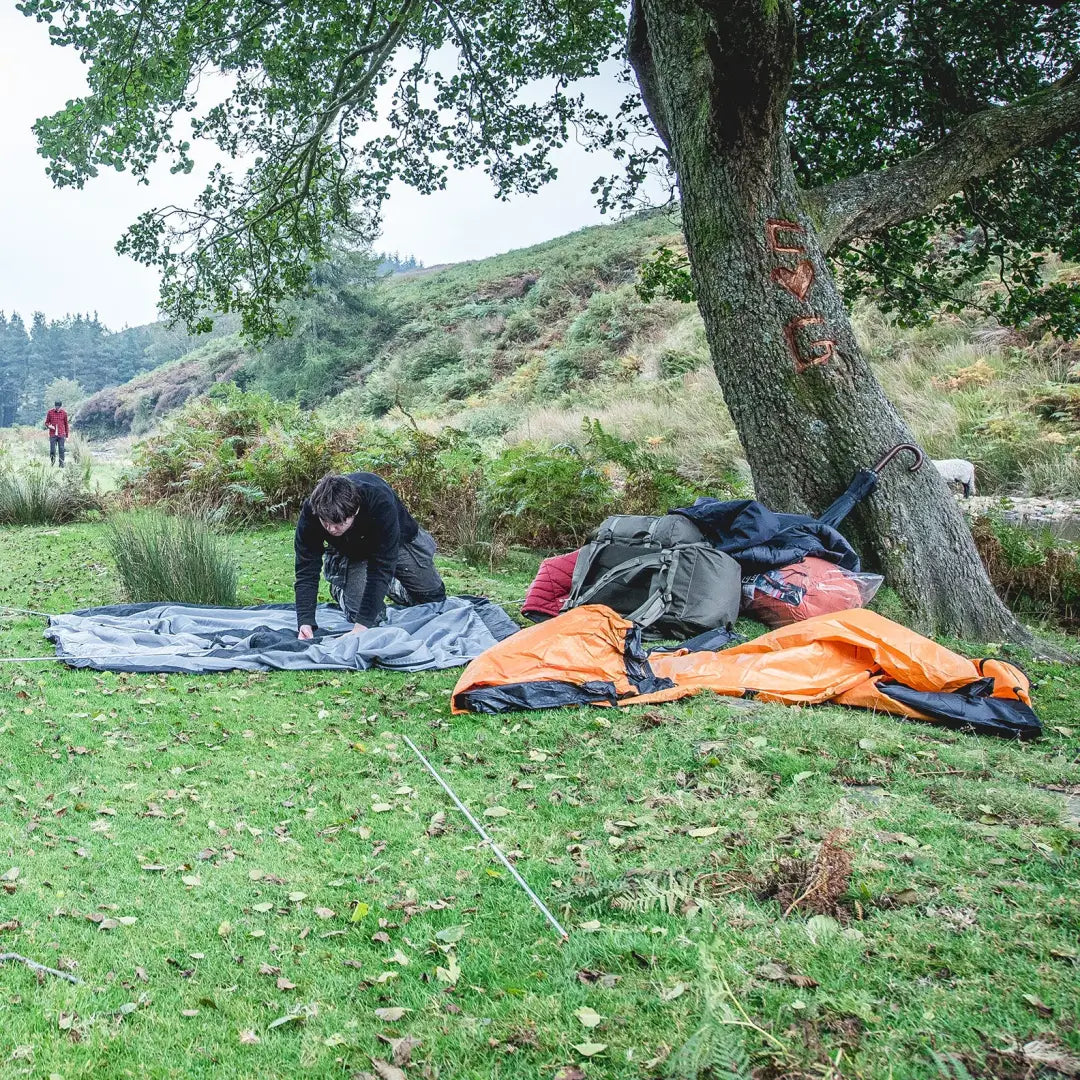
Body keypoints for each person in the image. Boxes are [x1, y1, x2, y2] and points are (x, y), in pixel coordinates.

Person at [294, 472, 446, 640]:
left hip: (397, 541)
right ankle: (341, 589)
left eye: (338, 524)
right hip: (352, 552)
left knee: (434, 600)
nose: (331, 529)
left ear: (355, 511)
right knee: (369, 619)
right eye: (326, 523)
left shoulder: (380, 501)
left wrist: (361, 627)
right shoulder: (313, 510)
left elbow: (381, 567)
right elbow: (306, 568)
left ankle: (390, 586)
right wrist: (305, 622)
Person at [44, 400, 70, 468]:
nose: (57, 408)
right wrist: (49, 426)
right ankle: (52, 463)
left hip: (61, 434)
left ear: (61, 406)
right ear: (55, 406)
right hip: (52, 434)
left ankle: (61, 465)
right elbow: (46, 422)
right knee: (52, 450)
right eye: (56, 407)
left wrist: (67, 436)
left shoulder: (64, 413)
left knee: (61, 450)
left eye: (58, 407)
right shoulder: (50, 412)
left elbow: (66, 425)